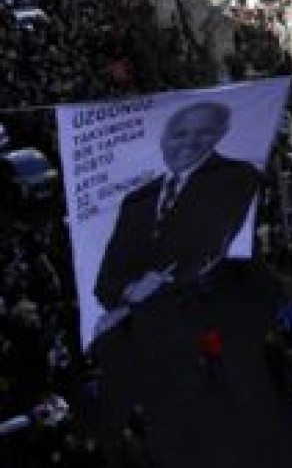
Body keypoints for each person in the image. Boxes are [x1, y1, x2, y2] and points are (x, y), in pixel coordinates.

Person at [94, 101, 262, 326]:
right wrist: (132, 290)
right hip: (143, 332)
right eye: (179, 135)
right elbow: (105, 282)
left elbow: (209, 249)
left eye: (204, 133)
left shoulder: (235, 176)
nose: (189, 143)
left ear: (220, 135)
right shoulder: (137, 199)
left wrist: (160, 287)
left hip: (193, 320)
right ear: (163, 141)